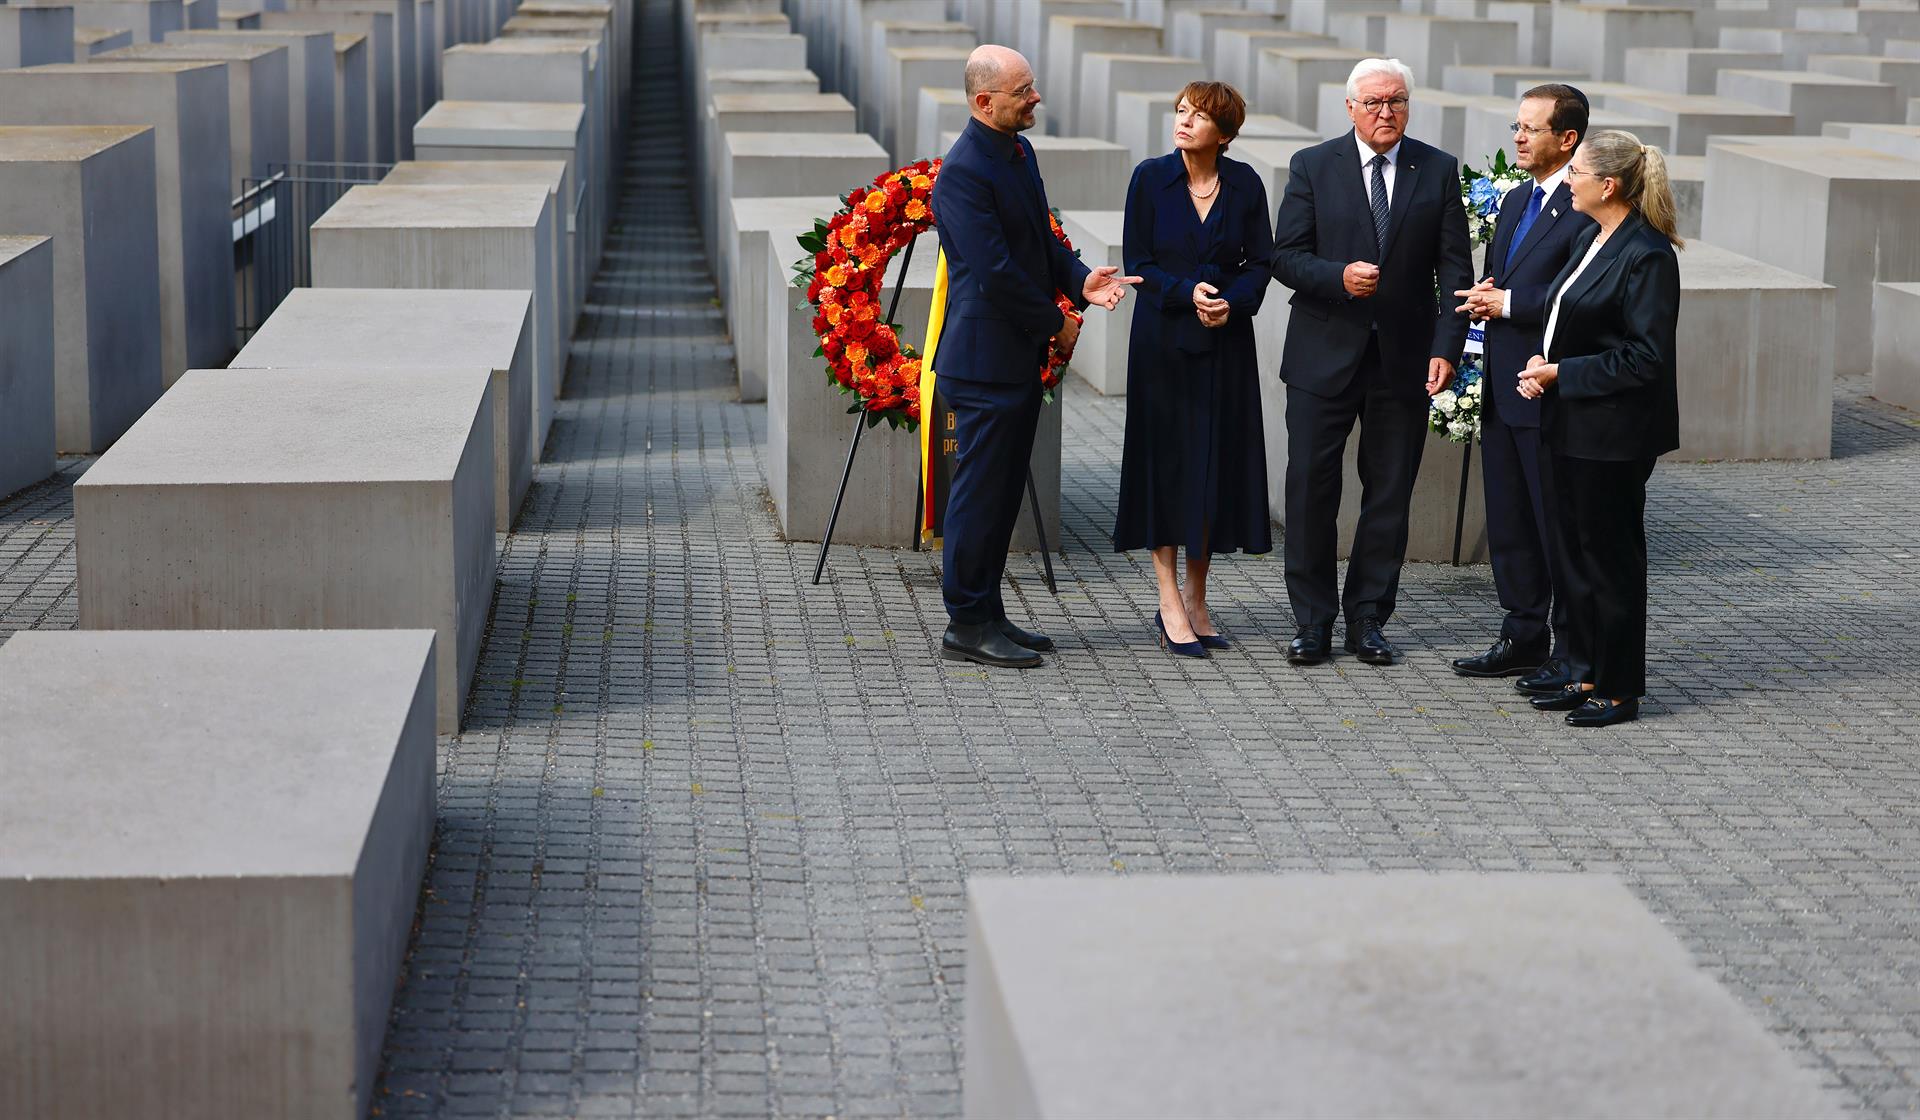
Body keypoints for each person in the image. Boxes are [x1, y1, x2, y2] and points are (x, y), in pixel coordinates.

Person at [930, 44, 1138, 669]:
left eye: (1033, 86)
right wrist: (1057, 323)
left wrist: (1080, 282)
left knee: (1000, 496)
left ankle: (988, 610)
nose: (1036, 98)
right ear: (983, 101)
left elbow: (1040, 236)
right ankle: (966, 622)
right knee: (980, 494)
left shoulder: (1017, 151)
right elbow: (993, 271)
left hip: (1011, 358)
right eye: (1024, 91)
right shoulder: (964, 171)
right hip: (982, 360)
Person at [1269, 58, 1472, 667]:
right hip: (1322, 356)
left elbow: (1456, 272)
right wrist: (1338, 277)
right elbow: (1284, 257)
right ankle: (1312, 622)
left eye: (1398, 101)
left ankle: (1368, 619)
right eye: (1376, 103)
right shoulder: (1313, 165)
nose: (1387, 113)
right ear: (1351, 108)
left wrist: (1446, 349)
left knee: (1388, 492)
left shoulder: (1436, 169)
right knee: (1310, 488)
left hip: (1404, 361)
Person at [1516, 130, 1683, 727]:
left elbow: (1645, 358)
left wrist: (1564, 371)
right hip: (1571, 423)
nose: (1568, 180)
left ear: (1607, 185)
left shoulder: (1648, 254)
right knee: (1574, 555)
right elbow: (1570, 319)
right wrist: (1544, 367)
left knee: (1609, 562)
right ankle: (1582, 669)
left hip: (1613, 435)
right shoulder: (1593, 235)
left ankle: (1618, 686)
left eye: (1577, 172)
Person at [1113, 81, 1274, 658]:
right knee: (1167, 466)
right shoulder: (1149, 179)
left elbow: (1261, 262)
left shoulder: (1246, 184)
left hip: (1225, 342)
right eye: (1180, 110)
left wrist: (1231, 301)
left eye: (1198, 116)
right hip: (1162, 342)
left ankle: (1197, 596)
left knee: (1213, 467)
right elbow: (1139, 263)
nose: (1184, 121)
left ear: (1224, 133)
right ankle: (1167, 600)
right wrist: (1189, 292)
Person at [1450, 84, 1595, 691]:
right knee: (1509, 518)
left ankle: (1571, 646)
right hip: (1503, 387)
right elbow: (1507, 275)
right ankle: (1523, 632)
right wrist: (1489, 294)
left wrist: (1506, 302)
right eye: (1516, 126)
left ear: (1567, 139)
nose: (1517, 137)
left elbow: (1581, 295)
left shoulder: (1586, 203)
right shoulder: (1514, 200)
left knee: (1552, 521)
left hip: (1549, 390)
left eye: (1530, 129)